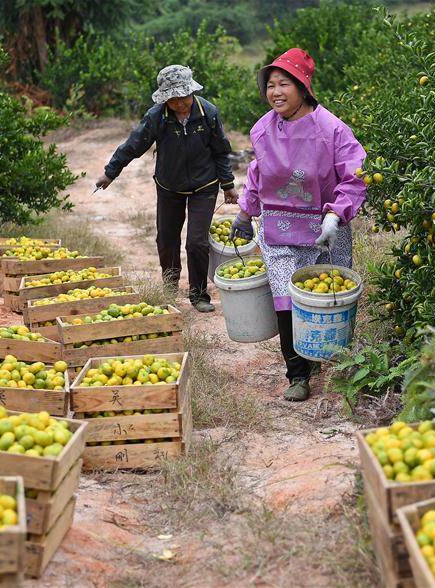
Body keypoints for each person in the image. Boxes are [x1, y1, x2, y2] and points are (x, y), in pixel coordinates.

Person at [230, 48, 367, 401]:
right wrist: (245, 214)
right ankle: (297, 374)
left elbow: (355, 176)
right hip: (279, 229)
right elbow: (257, 176)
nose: (275, 92)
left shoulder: (332, 129)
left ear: (303, 87)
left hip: (324, 230)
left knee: (325, 298)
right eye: (270, 85)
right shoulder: (263, 129)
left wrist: (337, 213)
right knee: (285, 299)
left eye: (283, 84)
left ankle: (329, 361)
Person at [96, 65, 237, 313]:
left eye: (183, 97)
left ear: (191, 92)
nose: (180, 104)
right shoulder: (157, 116)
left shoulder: (208, 113)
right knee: (167, 239)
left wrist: (228, 185)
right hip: (169, 186)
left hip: (204, 187)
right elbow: (133, 145)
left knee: (196, 243)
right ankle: (170, 288)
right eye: (173, 100)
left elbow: (221, 152)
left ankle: (198, 294)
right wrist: (111, 172)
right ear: (165, 99)